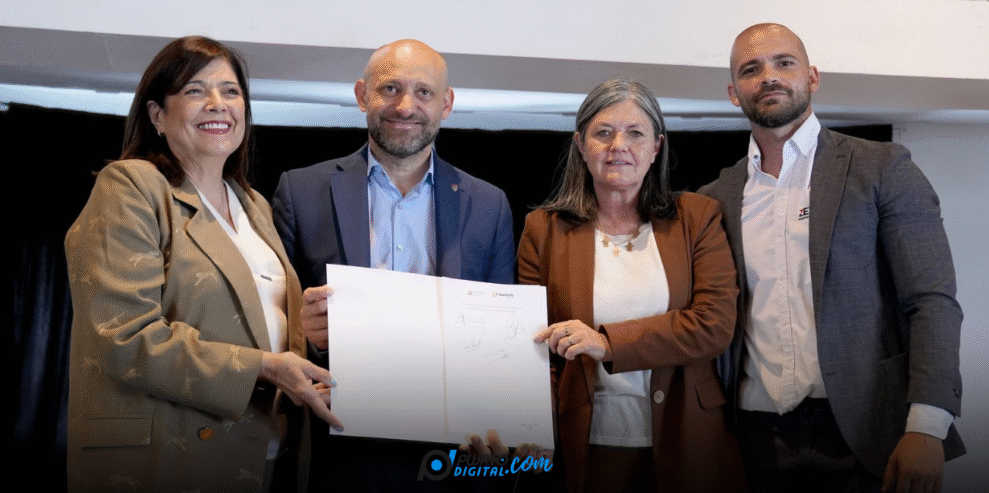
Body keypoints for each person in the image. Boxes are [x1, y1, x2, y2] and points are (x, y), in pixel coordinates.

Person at [65, 36, 341, 493]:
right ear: (157, 115)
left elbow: (260, 330)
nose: (218, 103)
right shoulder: (132, 186)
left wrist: (306, 339)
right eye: (195, 90)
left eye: (230, 91)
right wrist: (264, 367)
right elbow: (124, 337)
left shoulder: (253, 204)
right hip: (168, 459)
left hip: (264, 456)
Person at [699, 23, 965, 493]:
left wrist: (927, 427)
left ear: (812, 77)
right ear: (734, 93)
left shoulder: (882, 168)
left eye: (784, 63)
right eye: (751, 69)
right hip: (755, 438)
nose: (769, 76)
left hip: (869, 435)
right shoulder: (715, 197)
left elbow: (932, 302)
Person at [272, 39, 514, 492]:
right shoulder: (301, 192)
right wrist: (306, 334)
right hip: (341, 453)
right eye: (390, 88)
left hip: (451, 456)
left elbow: (501, 339)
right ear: (362, 95)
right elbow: (278, 327)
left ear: (446, 104)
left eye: (423, 92)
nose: (405, 106)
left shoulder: (489, 203)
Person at [519, 77, 747, 493]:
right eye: (603, 132)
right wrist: (531, 431)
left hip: (689, 443)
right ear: (580, 144)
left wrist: (607, 344)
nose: (618, 145)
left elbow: (714, 325)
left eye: (635, 133)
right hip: (583, 447)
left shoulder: (698, 217)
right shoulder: (543, 229)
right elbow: (535, 353)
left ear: (657, 146)